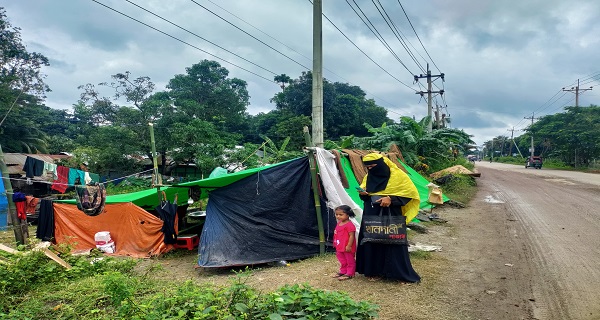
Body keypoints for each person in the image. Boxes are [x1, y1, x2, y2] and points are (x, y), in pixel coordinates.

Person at [355, 153, 421, 283]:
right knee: (371, 240)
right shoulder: (368, 177)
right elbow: (365, 195)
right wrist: (364, 194)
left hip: (391, 214)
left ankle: (397, 273)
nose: (370, 170)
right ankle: (372, 271)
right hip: (372, 214)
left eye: (373, 166)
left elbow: (410, 195)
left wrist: (391, 199)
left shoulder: (399, 176)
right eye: (367, 167)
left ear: (382, 164)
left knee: (393, 241)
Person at [332, 205, 357, 281]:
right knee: (342, 259)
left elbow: (351, 236)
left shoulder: (350, 225)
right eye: (337, 214)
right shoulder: (339, 223)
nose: (338, 216)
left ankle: (350, 273)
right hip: (340, 245)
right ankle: (343, 271)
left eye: (341, 214)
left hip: (347, 246)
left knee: (349, 260)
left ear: (348, 214)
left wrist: (349, 246)